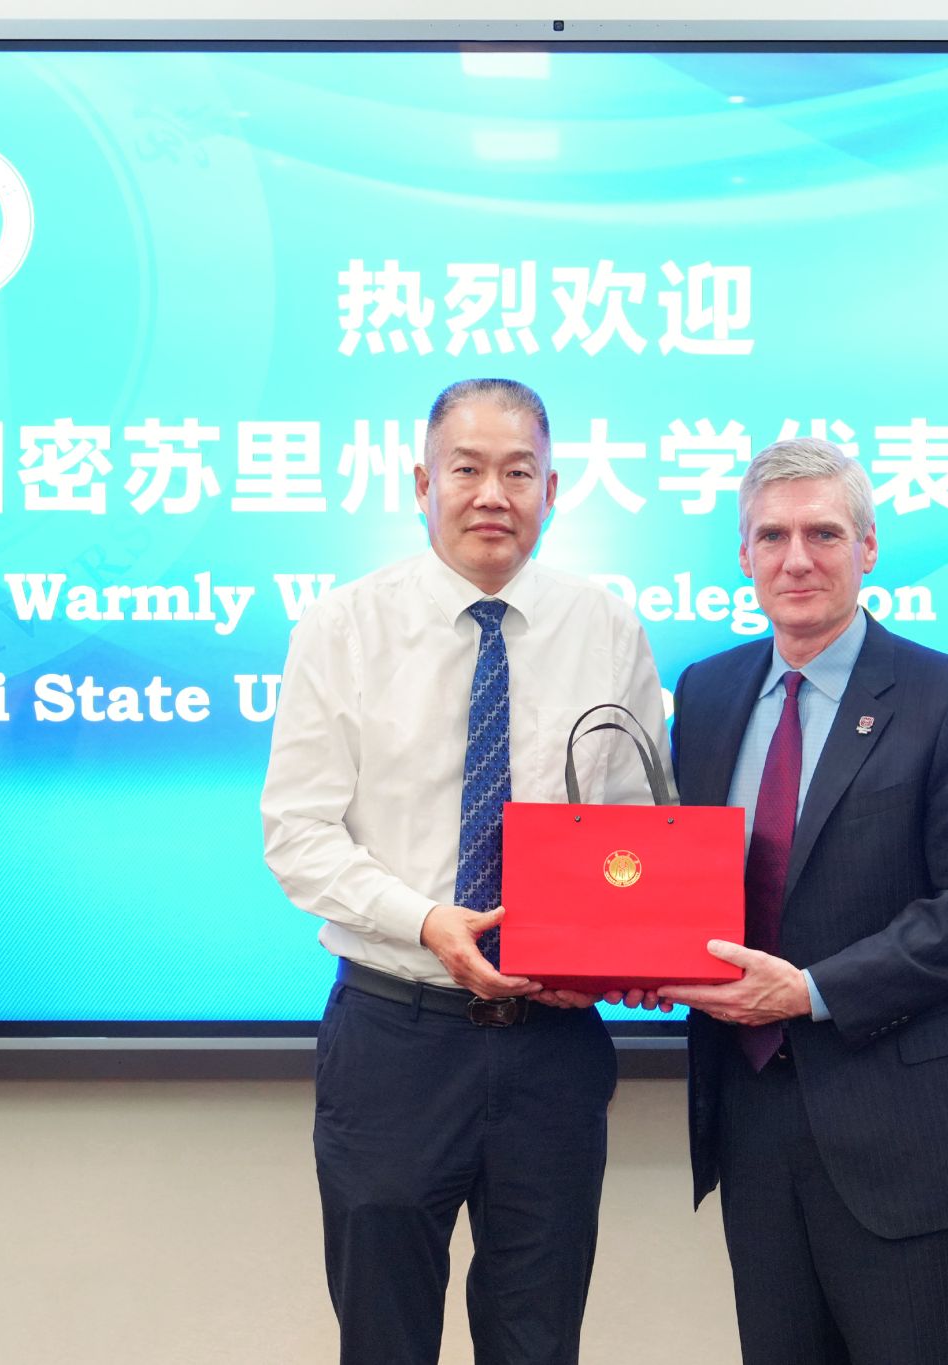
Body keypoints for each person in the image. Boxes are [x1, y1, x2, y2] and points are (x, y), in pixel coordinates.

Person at [261, 378, 667, 1365]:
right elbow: (298, 833)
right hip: (396, 1039)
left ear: (551, 490)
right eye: (467, 469)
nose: (493, 493)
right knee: (384, 1338)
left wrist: (621, 946)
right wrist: (424, 919)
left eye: (518, 472)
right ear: (421, 484)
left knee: (538, 1340)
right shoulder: (343, 627)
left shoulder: (606, 629)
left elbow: (636, 833)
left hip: (552, 1048)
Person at [655, 437, 948, 1365]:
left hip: (909, 1128)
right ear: (743, 555)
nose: (797, 558)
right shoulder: (707, 692)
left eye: (823, 533)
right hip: (753, 1117)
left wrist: (809, 990)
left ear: (867, 548)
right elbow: (681, 875)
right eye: (772, 536)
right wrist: (631, 953)